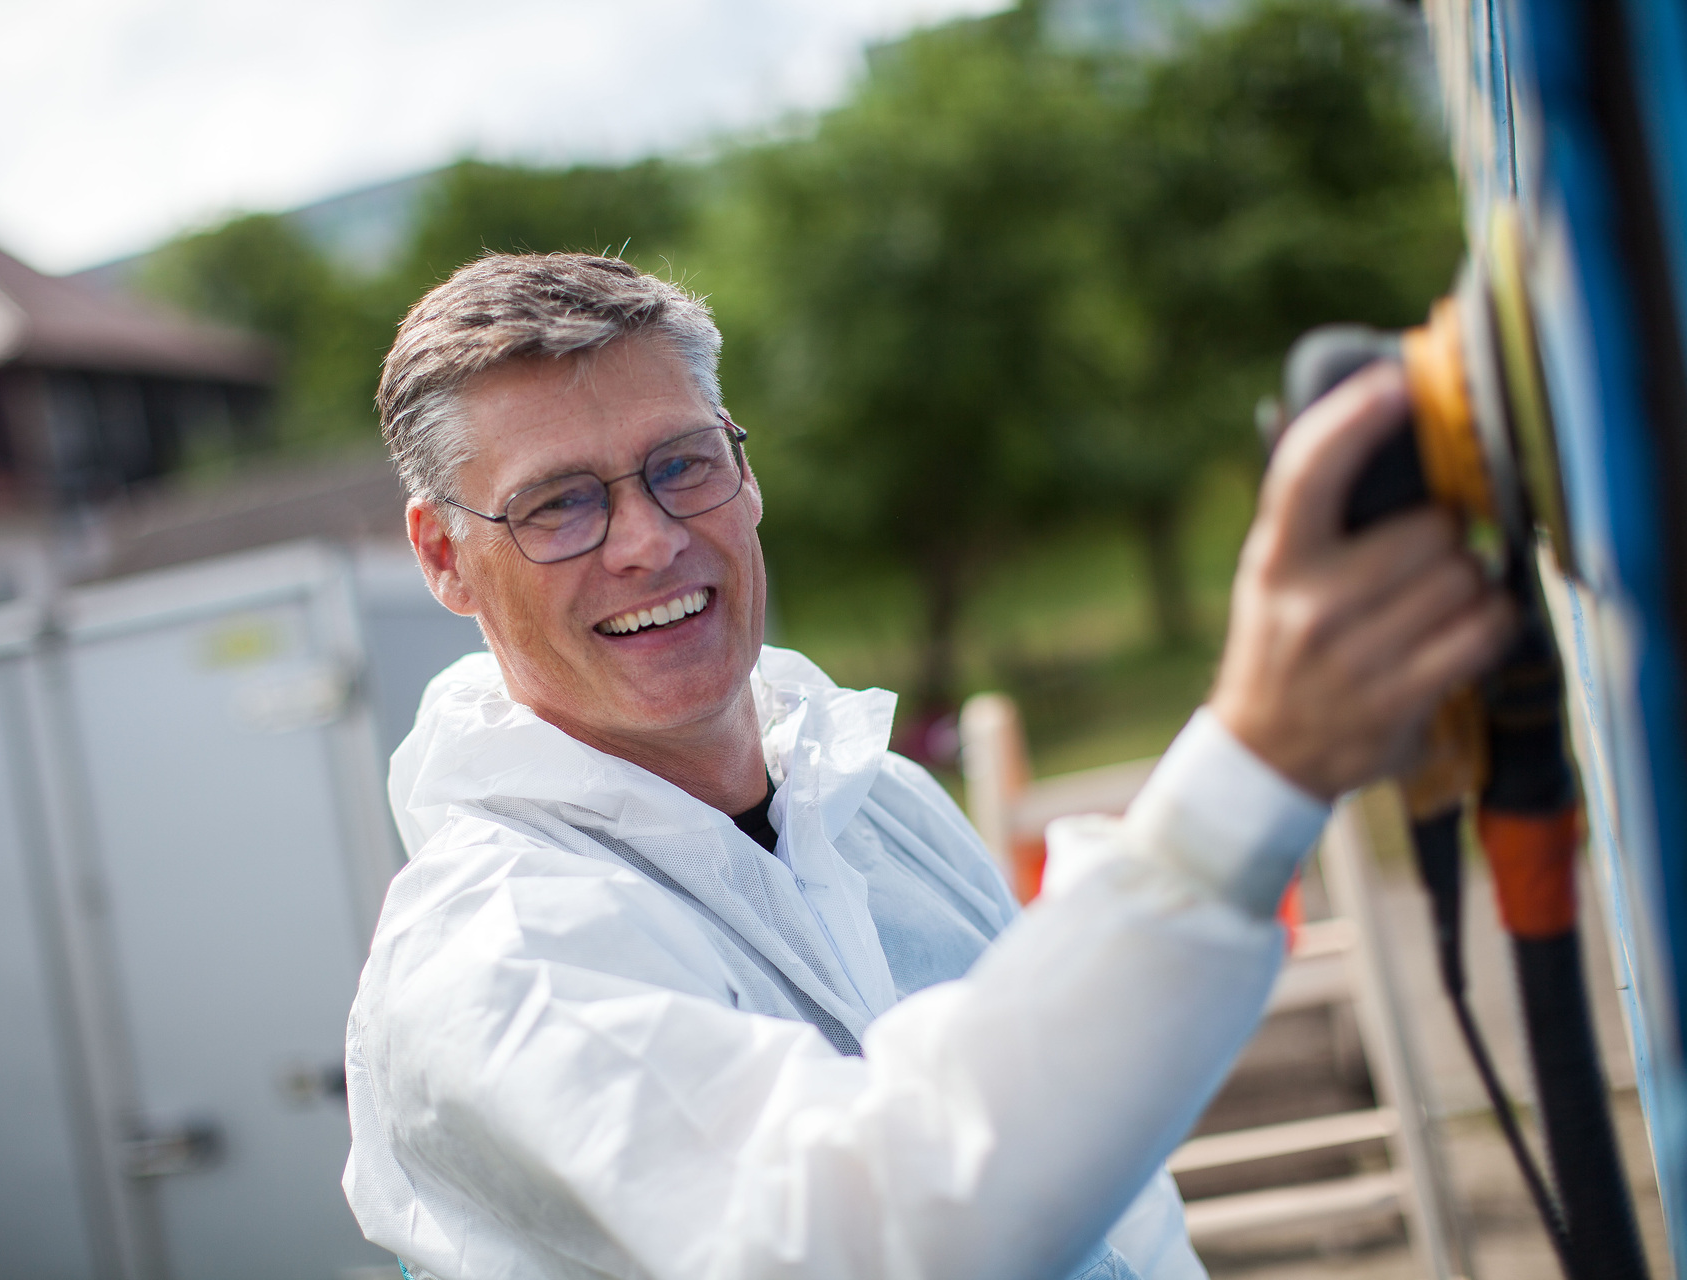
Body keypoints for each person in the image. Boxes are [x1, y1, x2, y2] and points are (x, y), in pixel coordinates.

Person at [341, 253, 1514, 1280]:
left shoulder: (869, 800)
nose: (648, 539)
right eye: (558, 505)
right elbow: (868, 1239)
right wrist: (1255, 770)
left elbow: (1083, 1175)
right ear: (444, 556)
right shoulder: (492, 958)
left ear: (745, 472)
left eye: (681, 464)